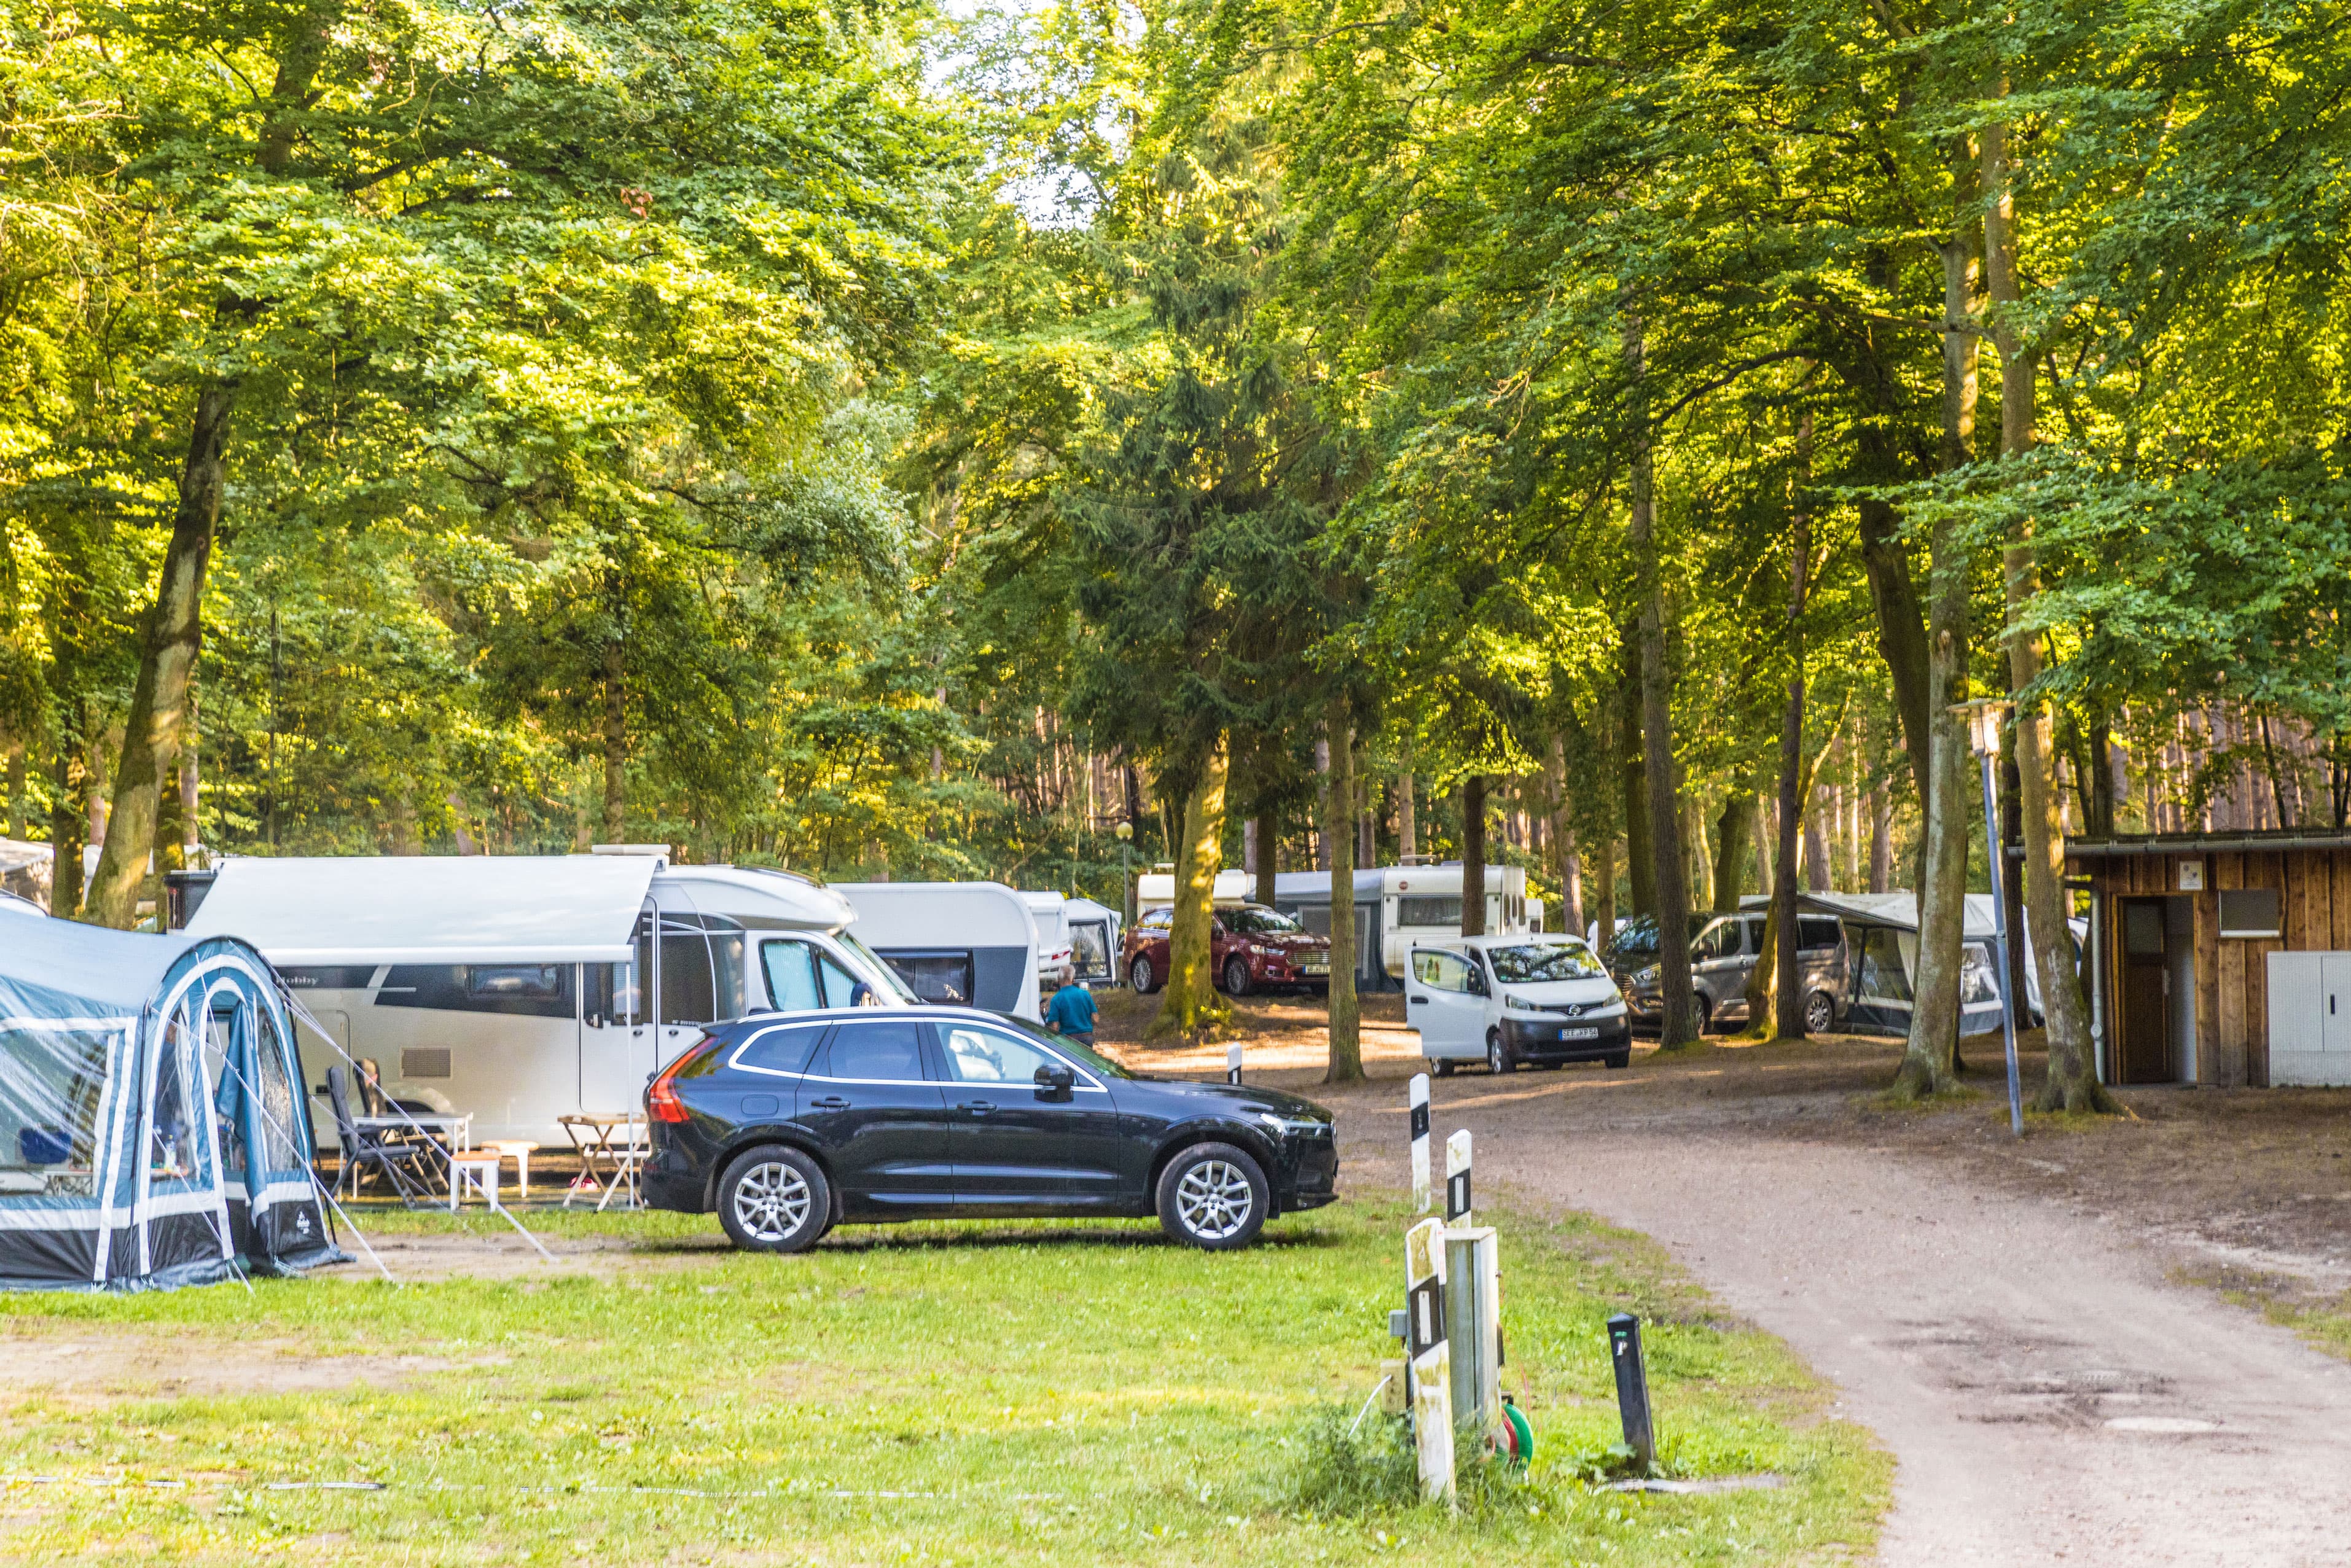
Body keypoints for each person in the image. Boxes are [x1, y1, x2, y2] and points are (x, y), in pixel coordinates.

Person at [1042, 965, 1098, 1046]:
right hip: (1087, 1038)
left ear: (1058, 979)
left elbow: (1055, 1026)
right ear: (1073, 979)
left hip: (1068, 1040)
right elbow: (1096, 1019)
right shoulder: (1085, 995)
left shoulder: (1056, 999)